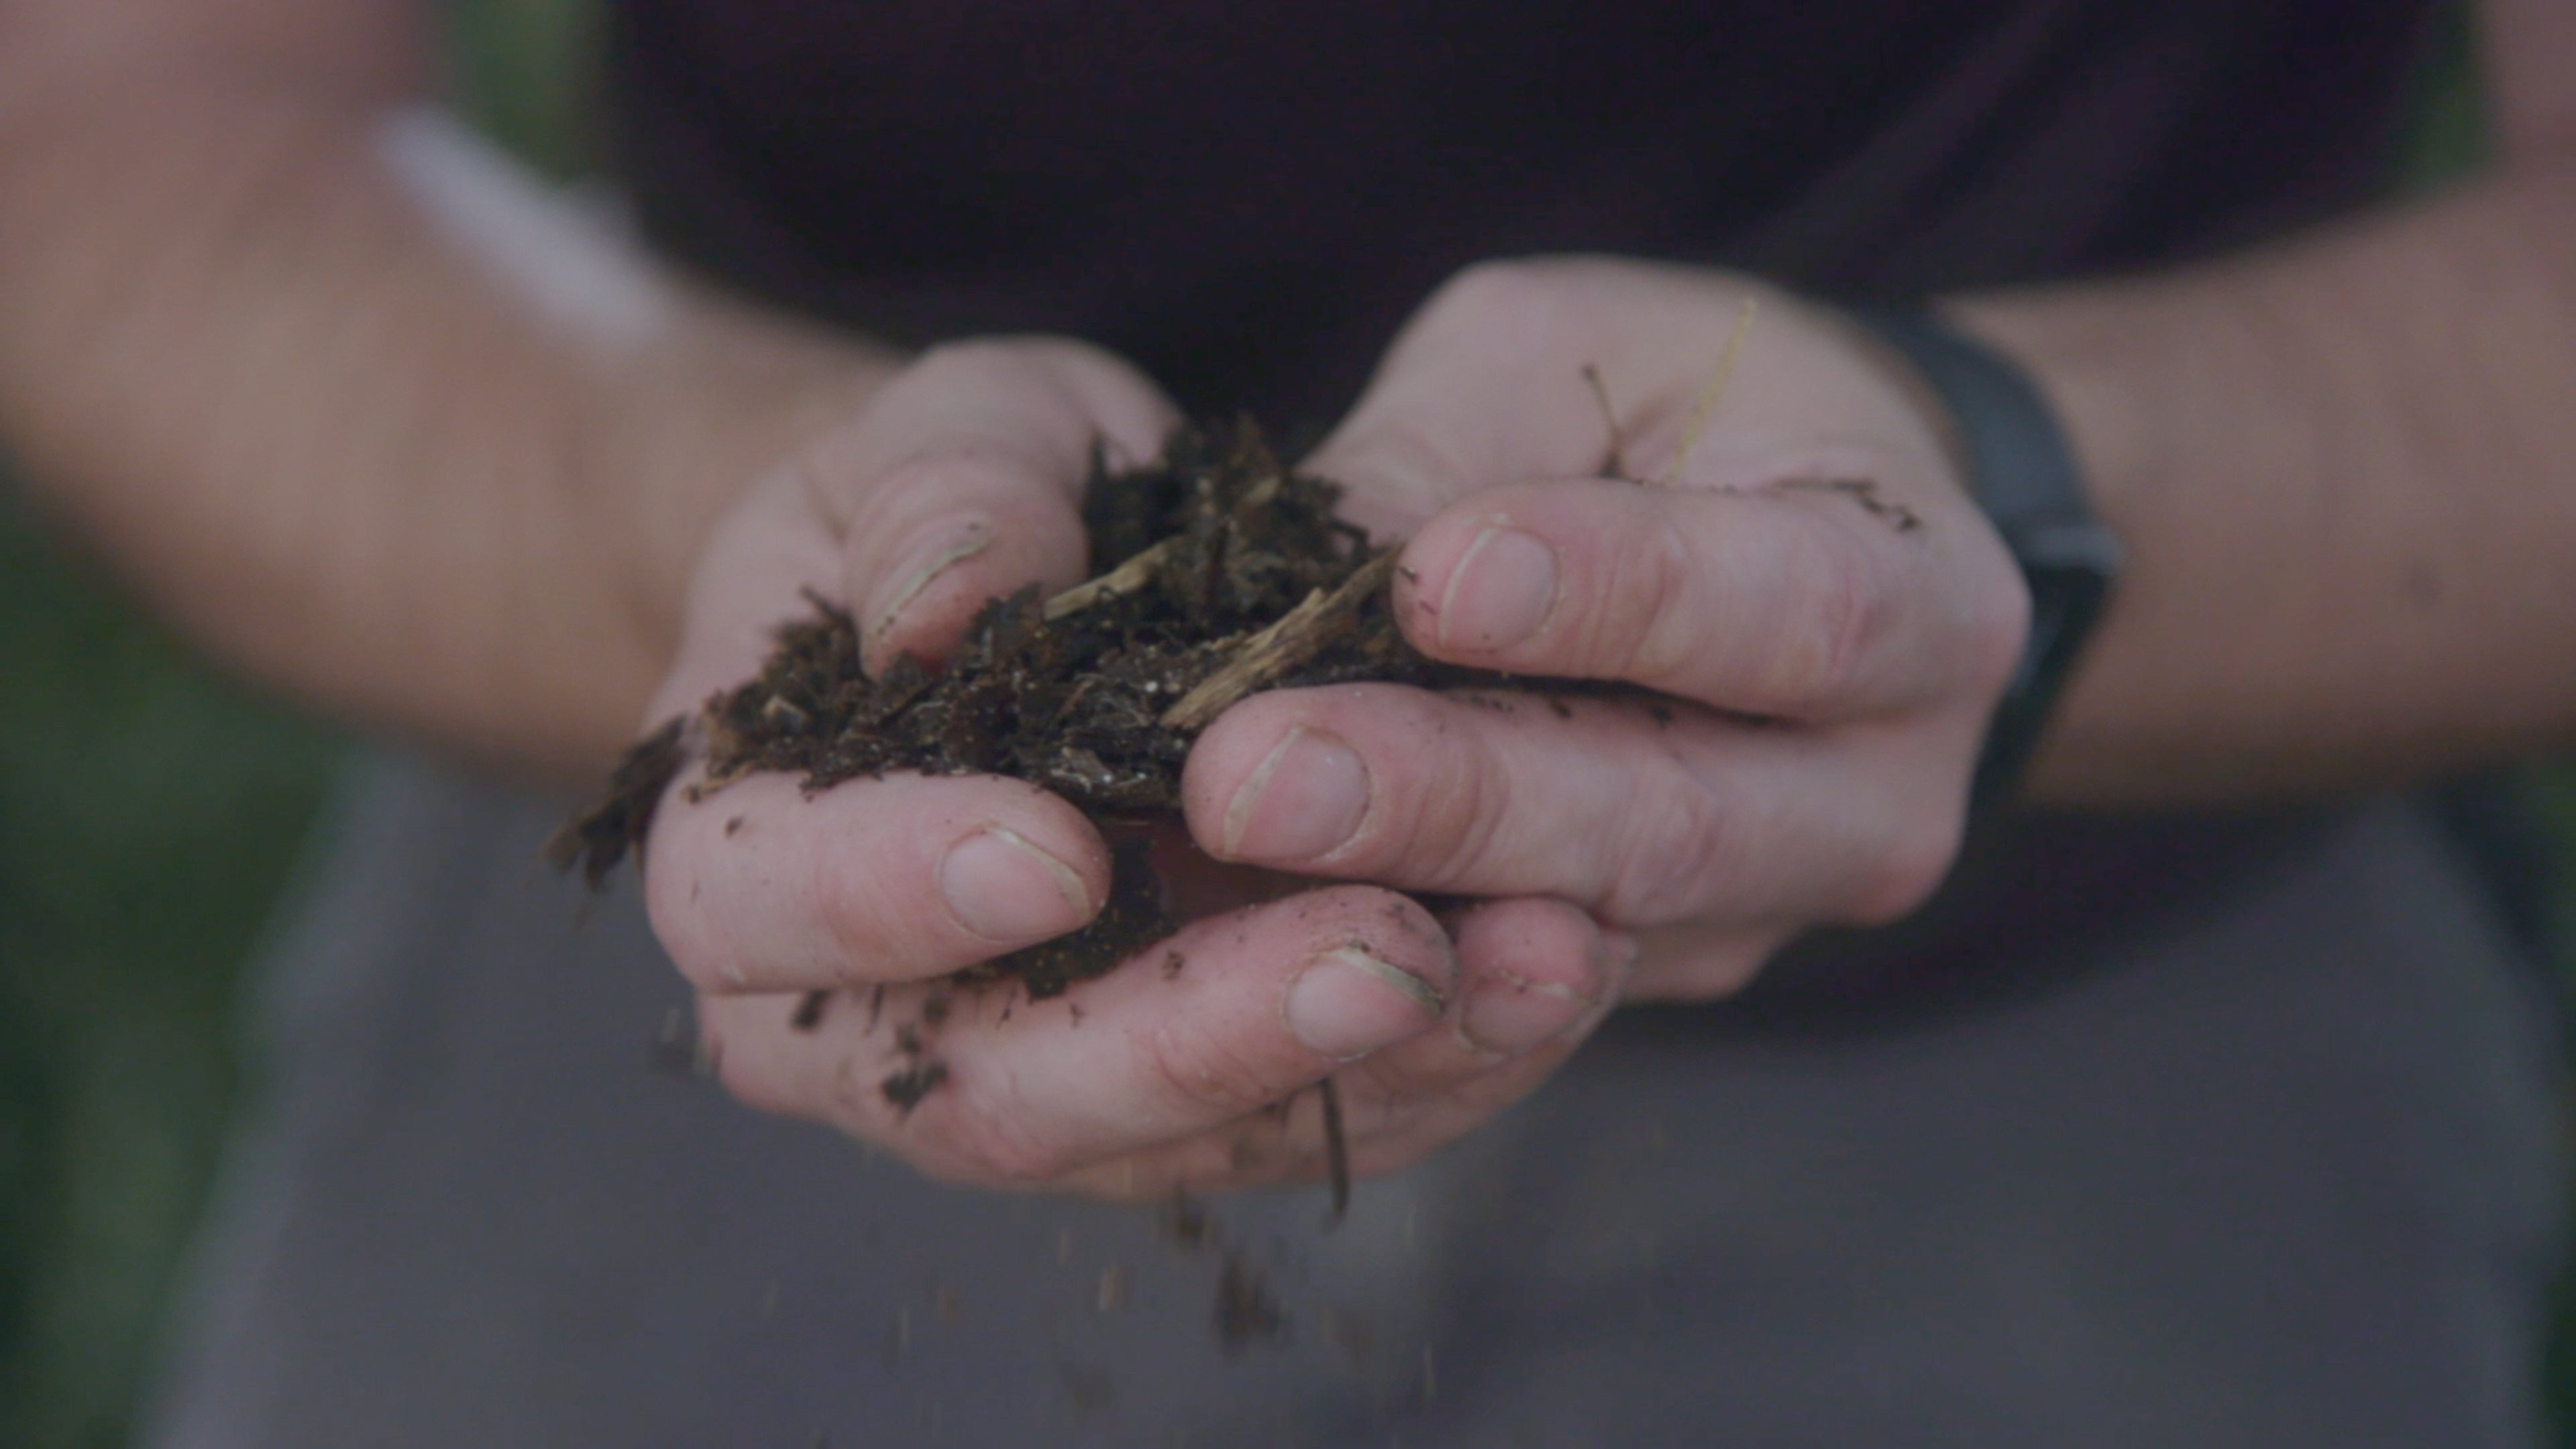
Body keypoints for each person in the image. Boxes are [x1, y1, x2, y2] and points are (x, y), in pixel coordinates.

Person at [3, 0, 2571, 1443]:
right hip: (733, 818)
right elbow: (120, 137)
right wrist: (742, 540)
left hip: (2133, 847)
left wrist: (2000, 510)